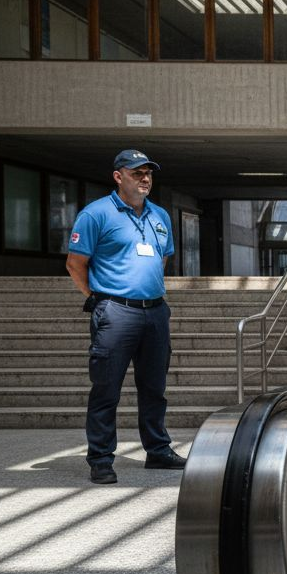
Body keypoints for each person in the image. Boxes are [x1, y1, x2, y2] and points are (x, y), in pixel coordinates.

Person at [65, 149, 187, 485]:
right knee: (106, 389)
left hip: (155, 312)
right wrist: (99, 299)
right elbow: (75, 265)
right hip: (115, 312)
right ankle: (101, 459)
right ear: (119, 177)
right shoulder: (96, 215)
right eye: (137, 173)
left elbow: (162, 259)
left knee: (155, 388)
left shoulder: (160, 215)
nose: (145, 178)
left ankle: (158, 451)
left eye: (148, 173)